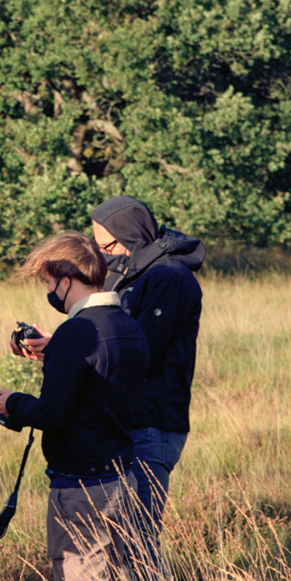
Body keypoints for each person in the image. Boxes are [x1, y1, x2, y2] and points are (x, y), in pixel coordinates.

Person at [0, 231, 180, 581]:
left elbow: (54, 414)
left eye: (49, 281)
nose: (49, 291)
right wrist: (54, 359)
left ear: (66, 279)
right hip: (122, 476)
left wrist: (13, 403)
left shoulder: (77, 333)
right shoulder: (126, 324)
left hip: (81, 487)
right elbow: (95, 391)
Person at [87, 195, 204, 527]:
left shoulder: (169, 277)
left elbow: (140, 353)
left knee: (137, 539)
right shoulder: (128, 273)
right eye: (98, 247)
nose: (104, 254)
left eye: (108, 245)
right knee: (115, 537)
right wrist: (59, 346)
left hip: (150, 425)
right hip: (125, 422)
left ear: (131, 235)